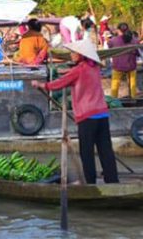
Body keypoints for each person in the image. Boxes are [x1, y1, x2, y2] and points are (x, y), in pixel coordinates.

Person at [31, 40, 119, 184]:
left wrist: (41, 85)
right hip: (102, 114)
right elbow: (73, 76)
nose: (71, 55)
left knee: (86, 151)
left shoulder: (79, 70)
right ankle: (113, 181)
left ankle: (89, 182)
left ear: (81, 55)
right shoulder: (95, 67)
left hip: (87, 116)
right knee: (106, 150)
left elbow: (60, 83)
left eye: (74, 53)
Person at [108, 23, 139, 98]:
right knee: (132, 83)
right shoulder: (135, 40)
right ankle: (133, 98)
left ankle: (113, 99)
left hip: (118, 66)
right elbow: (137, 53)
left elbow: (109, 47)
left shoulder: (113, 40)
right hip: (131, 66)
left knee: (115, 84)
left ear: (118, 30)